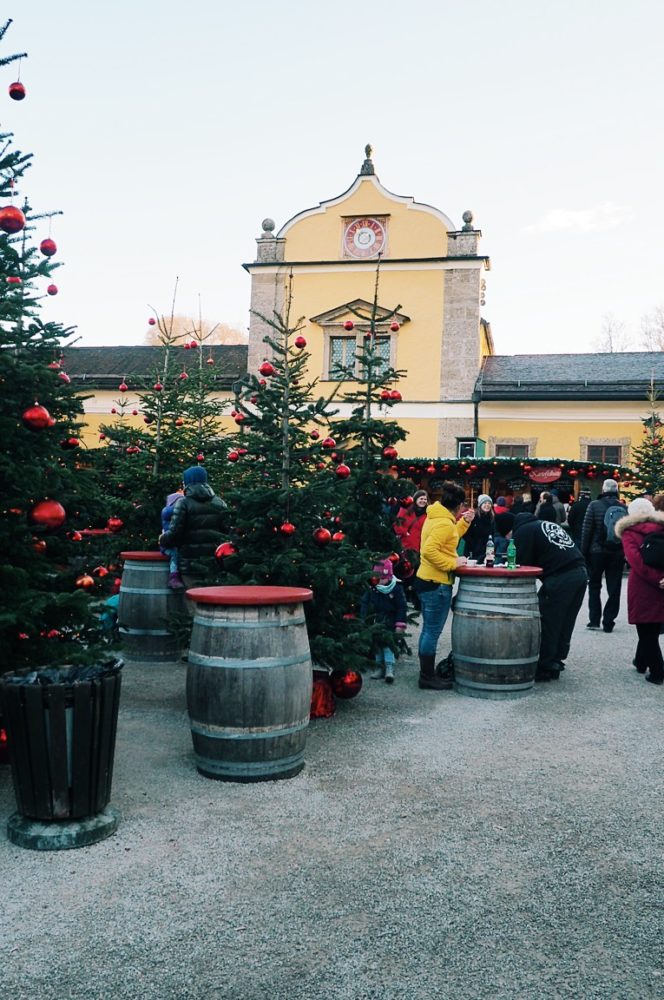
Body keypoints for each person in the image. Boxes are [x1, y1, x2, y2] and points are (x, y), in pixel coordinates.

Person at [512, 512, 587, 681]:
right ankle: (557, 660)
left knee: (549, 621)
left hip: (560, 577)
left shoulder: (523, 531)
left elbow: (520, 564)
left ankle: (544, 666)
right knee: (566, 620)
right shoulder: (543, 524)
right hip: (580, 572)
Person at [414, 481, 474, 690]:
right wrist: (452, 563)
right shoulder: (444, 523)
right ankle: (427, 677)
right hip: (436, 583)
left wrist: (464, 523)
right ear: (457, 505)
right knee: (432, 631)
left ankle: (426, 674)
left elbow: (450, 537)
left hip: (426, 580)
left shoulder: (438, 518)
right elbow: (429, 551)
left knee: (428, 630)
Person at [615, 498, 664, 685]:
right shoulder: (661, 527)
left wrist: (655, 579)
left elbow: (636, 561)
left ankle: (658, 671)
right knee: (652, 626)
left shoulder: (630, 532)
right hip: (662, 585)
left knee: (646, 630)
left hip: (643, 585)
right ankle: (641, 661)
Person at [158, 466, 228, 585]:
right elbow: (226, 531)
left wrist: (162, 540)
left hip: (189, 563)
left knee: (192, 599)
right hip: (213, 562)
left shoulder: (183, 503)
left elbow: (174, 533)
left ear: (188, 482)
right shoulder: (220, 502)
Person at [581, 479, 627, 633]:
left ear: (603, 489)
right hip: (617, 552)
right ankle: (609, 621)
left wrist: (583, 552)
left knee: (594, 585)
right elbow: (626, 533)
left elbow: (587, 530)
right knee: (614, 587)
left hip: (597, 551)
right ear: (616, 490)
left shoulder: (594, 505)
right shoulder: (623, 507)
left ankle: (594, 620)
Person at [360, 558, 408, 684]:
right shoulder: (373, 589)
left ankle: (389, 669)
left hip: (390, 622)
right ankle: (379, 668)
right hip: (377, 621)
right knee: (377, 646)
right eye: (377, 579)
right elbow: (365, 602)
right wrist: (363, 618)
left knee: (388, 645)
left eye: (382, 578)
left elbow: (402, 607)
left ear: (389, 576)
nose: (379, 581)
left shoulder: (396, 589)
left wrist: (400, 624)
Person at [393, 490, 428, 601]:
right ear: (416, 499)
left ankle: (414, 598)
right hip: (406, 547)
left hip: (420, 548)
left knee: (417, 575)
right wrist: (404, 532)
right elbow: (397, 524)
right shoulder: (406, 510)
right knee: (405, 573)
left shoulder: (428, 514)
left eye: (425, 499)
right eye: (421, 498)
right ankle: (402, 597)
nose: (423, 501)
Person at [160, 490, 185, 589]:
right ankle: (173, 576)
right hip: (167, 545)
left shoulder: (177, 514)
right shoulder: (167, 511)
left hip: (174, 542)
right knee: (174, 554)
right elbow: (173, 511)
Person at [464, 493, 495, 563]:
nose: (487, 505)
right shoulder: (474, 517)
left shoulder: (492, 519)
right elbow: (465, 533)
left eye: (489, 503)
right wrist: (474, 543)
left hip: (486, 552)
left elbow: (492, 535)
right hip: (472, 551)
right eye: (485, 503)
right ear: (480, 505)